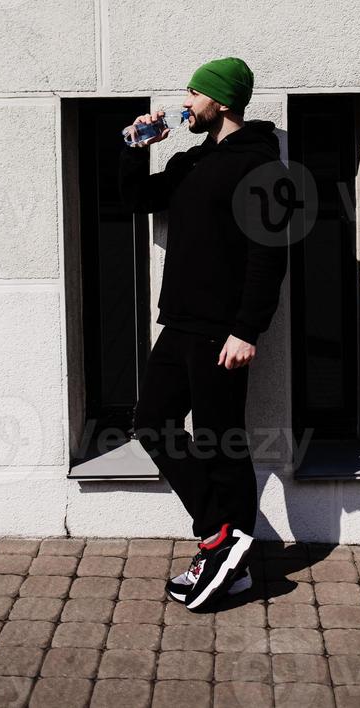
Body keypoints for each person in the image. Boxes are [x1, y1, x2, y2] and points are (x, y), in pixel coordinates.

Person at [118, 57, 289, 610]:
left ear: (222, 101)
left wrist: (247, 330)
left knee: (220, 439)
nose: (185, 100)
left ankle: (227, 558)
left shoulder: (261, 165)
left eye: (194, 92)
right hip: (181, 320)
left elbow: (269, 255)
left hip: (223, 330)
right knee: (152, 425)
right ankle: (222, 533)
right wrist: (136, 149)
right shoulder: (194, 160)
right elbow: (137, 201)